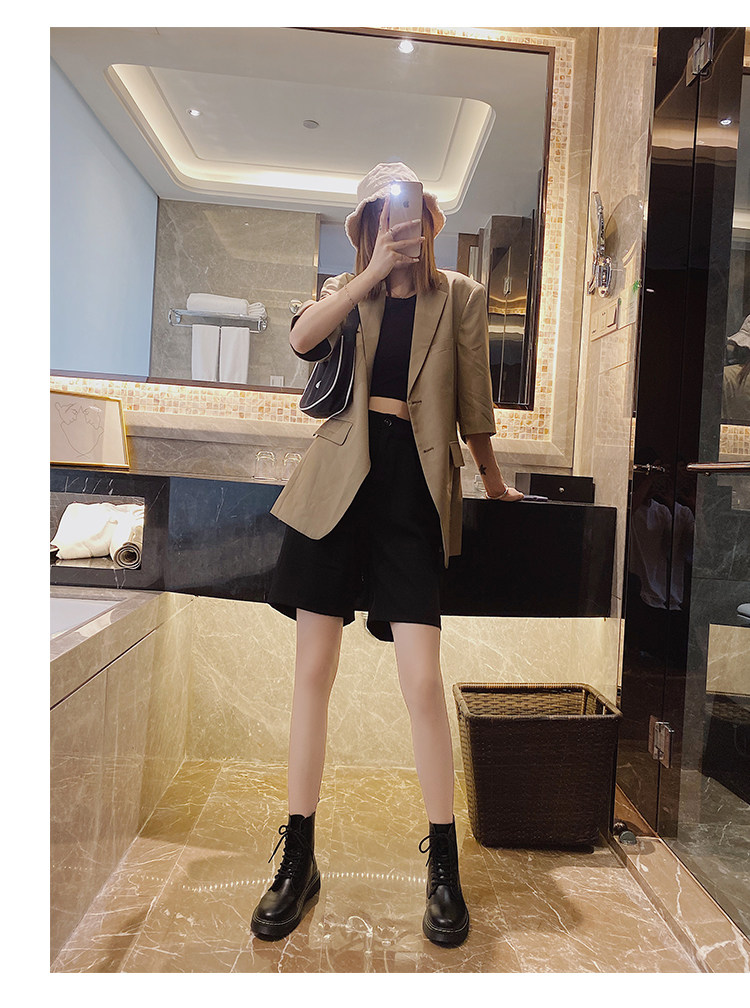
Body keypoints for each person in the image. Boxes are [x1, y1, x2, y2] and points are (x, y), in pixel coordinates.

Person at [251, 162, 523, 948]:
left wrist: (494, 481)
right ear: (367, 226)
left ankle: (444, 868)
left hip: (412, 492)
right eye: (380, 213)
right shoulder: (351, 289)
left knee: (421, 681)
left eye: (407, 212)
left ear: (429, 220)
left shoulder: (461, 296)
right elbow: (301, 339)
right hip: (338, 483)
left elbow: (474, 404)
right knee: (312, 672)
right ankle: (298, 859)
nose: (396, 224)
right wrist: (371, 273)